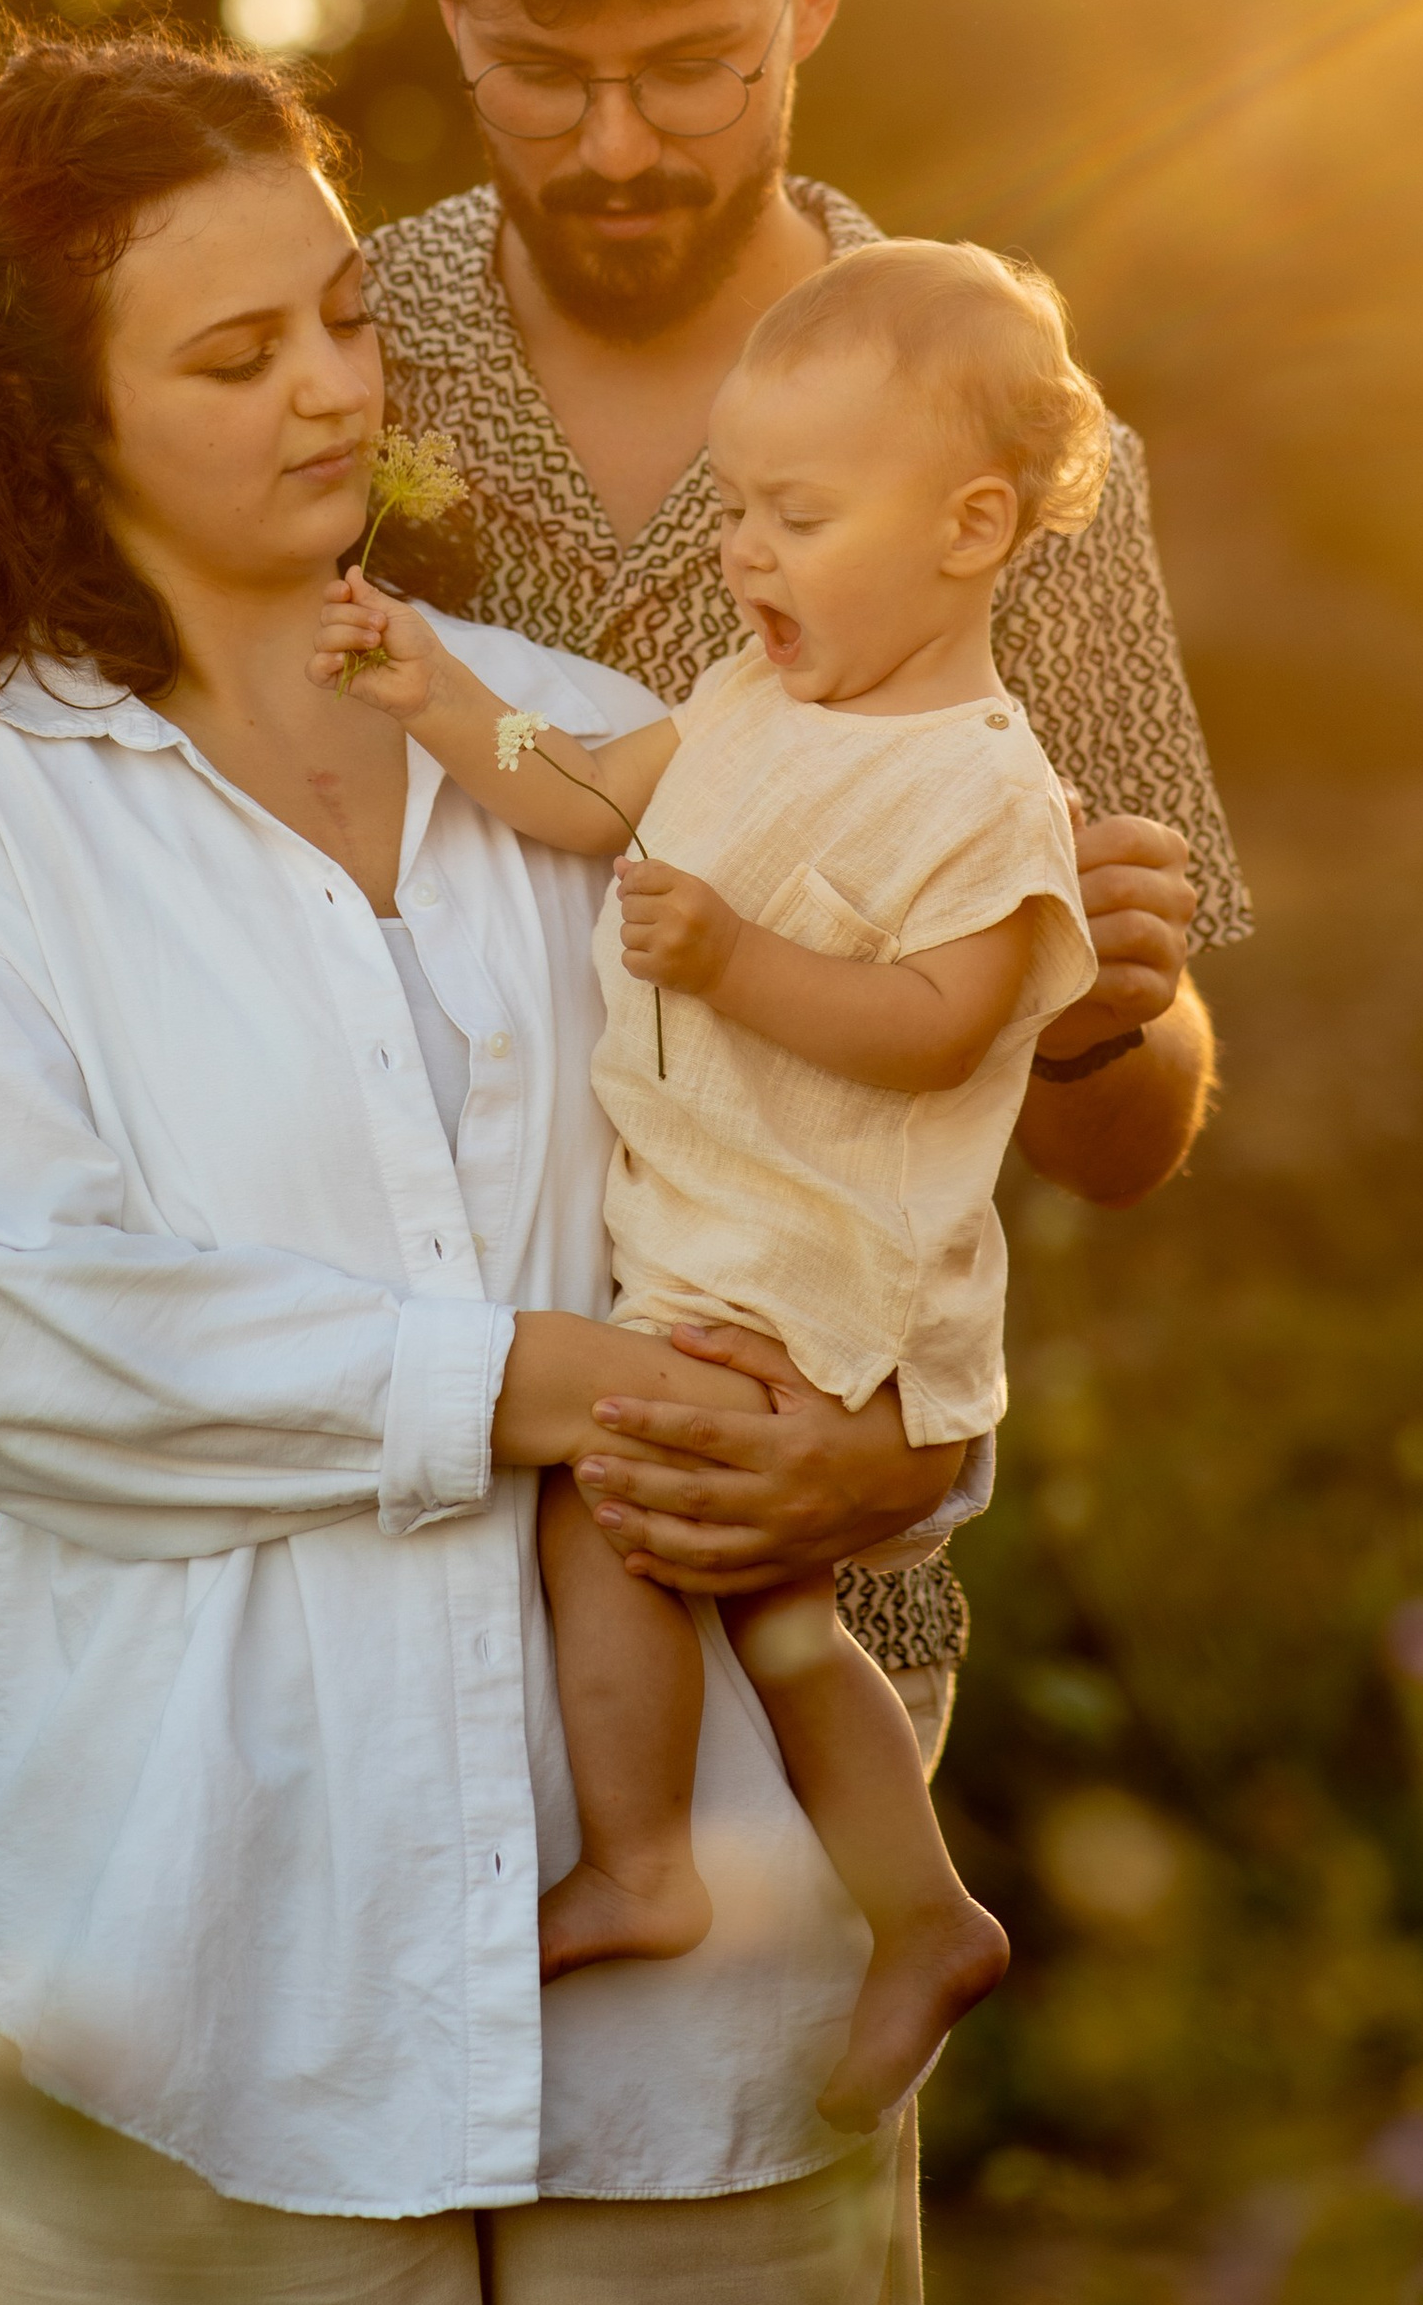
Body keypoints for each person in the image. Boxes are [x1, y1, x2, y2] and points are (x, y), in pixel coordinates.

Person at [0, 0, 1248, 1729]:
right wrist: (41, 1440)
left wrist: (1099, 1022)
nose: (618, 142)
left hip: (794, 1564)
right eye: (542, 70)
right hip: (328, 1550)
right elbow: (113, 849)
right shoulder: (336, 357)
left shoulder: (1016, 448)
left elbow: (1120, 1131)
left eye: (696, 65)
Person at [0, 22, 981, 2305]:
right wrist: (528, 1377)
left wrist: (895, 1445)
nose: (332, 389)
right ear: (57, 421)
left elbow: (850, 1172)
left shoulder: (581, 745)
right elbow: (29, 1343)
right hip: (205, 1989)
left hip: (697, 2015)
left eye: (344, 314)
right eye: (234, 354)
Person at [317, 237, 1107, 2134]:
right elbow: (591, 793)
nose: (747, 552)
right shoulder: (754, 707)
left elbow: (942, 1024)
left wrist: (737, 960)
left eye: (800, 512)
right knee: (764, 1614)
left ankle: (651, 1860)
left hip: (830, 1282)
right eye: (736, 505)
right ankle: (920, 1910)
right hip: (717, 1258)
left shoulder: (987, 788)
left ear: (970, 525)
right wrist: (432, 695)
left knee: (626, 1513)